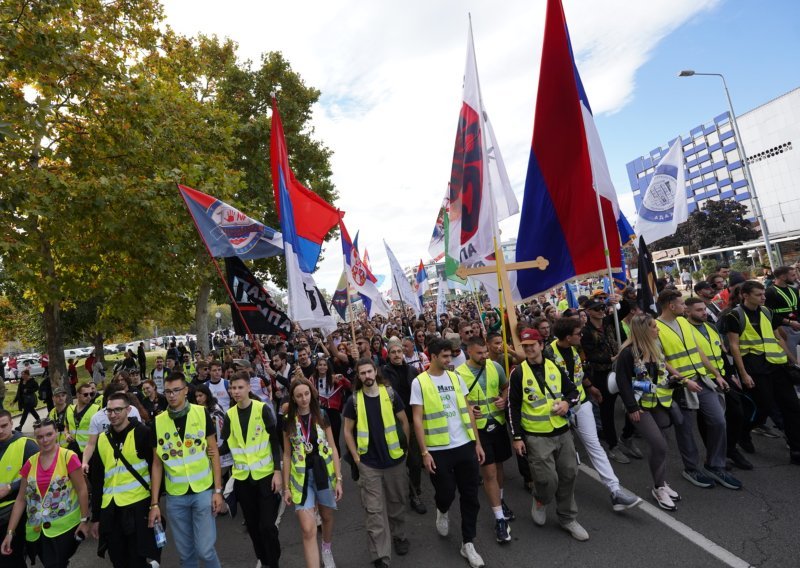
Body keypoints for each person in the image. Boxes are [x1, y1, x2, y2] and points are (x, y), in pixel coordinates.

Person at [549, 318, 641, 512]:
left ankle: (615, 491)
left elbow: (578, 375)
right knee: (561, 456)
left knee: (594, 445)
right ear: (567, 337)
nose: (582, 336)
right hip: (557, 410)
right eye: (578, 333)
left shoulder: (574, 350)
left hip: (580, 404)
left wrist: (591, 388)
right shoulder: (548, 354)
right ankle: (549, 497)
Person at [655, 289, 742, 490]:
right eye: (682, 303)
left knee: (718, 421)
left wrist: (717, 375)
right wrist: (684, 380)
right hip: (680, 386)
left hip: (701, 380)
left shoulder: (684, 322)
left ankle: (715, 464)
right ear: (671, 305)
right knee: (685, 429)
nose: (685, 307)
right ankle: (691, 468)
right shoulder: (656, 327)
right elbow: (661, 360)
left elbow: (698, 351)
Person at [411, 338, 486, 568]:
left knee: (470, 495)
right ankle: (442, 510)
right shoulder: (419, 382)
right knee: (446, 493)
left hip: (464, 444)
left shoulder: (455, 377)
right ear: (432, 356)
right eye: (444, 356)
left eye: (450, 356)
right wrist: (424, 452)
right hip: (438, 449)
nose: (448, 360)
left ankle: (468, 542)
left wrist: (477, 442)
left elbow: (468, 410)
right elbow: (416, 419)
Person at [507, 329, 588, 542]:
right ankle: (541, 500)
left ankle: (567, 518)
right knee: (547, 479)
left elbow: (573, 392)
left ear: (541, 345)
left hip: (562, 431)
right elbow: (512, 407)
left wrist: (565, 403)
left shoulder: (555, 367)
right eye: (525, 346)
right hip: (536, 435)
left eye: (532, 345)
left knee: (570, 473)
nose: (529, 349)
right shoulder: (518, 373)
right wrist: (516, 437)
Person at [148, 372, 225, 568]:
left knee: (205, 550)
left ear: (185, 390)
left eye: (176, 390)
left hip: (203, 491)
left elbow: (214, 451)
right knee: (186, 555)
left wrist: (218, 490)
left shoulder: (201, 413)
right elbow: (157, 464)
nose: (172, 395)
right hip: (176, 496)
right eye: (167, 391)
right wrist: (155, 503)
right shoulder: (158, 422)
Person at [343, 359, 410, 568]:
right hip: (369, 464)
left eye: (369, 371)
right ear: (358, 376)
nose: (367, 376)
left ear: (376, 371)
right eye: (362, 373)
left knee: (397, 503)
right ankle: (380, 556)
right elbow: (347, 430)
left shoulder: (389, 394)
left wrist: (405, 450)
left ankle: (399, 535)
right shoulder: (354, 400)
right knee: (374, 511)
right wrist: (356, 457)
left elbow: (404, 421)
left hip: (395, 461)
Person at [726, 280, 800, 465]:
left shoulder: (767, 311)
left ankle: (796, 449)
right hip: (754, 367)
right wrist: (743, 374)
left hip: (776, 365)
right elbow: (734, 346)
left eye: (763, 294)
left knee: (792, 407)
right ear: (745, 295)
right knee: (763, 407)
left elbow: (777, 338)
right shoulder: (735, 316)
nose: (763, 297)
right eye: (759, 295)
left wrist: (793, 360)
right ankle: (744, 431)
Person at [614, 315, 683, 510]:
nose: (658, 330)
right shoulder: (628, 354)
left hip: (657, 404)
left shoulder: (655, 348)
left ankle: (661, 481)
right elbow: (623, 382)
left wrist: (677, 381)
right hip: (640, 407)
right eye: (654, 327)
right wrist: (632, 407)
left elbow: (661, 375)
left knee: (661, 444)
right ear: (645, 330)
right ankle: (659, 487)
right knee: (659, 445)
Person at [1, 418, 91, 567]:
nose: (45, 440)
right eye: (40, 437)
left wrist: (84, 521)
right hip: (37, 531)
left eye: (49, 434)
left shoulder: (68, 457)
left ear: (56, 433)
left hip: (65, 529)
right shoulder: (30, 462)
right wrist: (10, 533)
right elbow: (21, 499)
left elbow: (82, 490)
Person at [88, 392, 158, 568]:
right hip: (110, 509)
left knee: (136, 559)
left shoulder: (143, 433)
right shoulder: (103, 439)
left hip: (137, 506)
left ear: (128, 410)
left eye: (117, 410)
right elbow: (97, 480)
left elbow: (155, 469)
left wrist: (154, 505)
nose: (112, 414)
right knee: (117, 560)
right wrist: (96, 517)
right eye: (109, 410)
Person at [456, 336, 515, 544]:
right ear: (469, 352)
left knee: (499, 468)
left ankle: (500, 500)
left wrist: (503, 398)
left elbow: (506, 386)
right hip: (478, 430)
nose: (484, 356)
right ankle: (499, 519)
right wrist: (469, 409)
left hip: (497, 424)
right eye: (480, 353)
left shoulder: (495, 366)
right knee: (488, 472)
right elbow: (457, 403)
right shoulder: (458, 374)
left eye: (485, 352)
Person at [221, 371, 282, 568]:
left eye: (240, 387)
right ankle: (264, 560)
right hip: (242, 480)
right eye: (233, 388)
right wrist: (207, 449)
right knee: (254, 527)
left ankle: (273, 561)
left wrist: (277, 471)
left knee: (267, 526)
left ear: (248, 387)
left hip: (265, 476)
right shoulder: (229, 415)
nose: (236, 391)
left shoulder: (262, 409)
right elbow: (225, 446)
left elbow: (274, 441)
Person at [684, 299, 752, 470]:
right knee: (708, 419)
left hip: (721, 375)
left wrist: (730, 374)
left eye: (704, 309)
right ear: (688, 312)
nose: (704, 312)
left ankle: (730, 449)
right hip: (702, 378)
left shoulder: (711, 327)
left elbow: (721, 352)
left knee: (737, 412)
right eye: (699, 310)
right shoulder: (685, 330)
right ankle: (712, 454)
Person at [282, 377, 342, 568]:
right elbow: (287, 455)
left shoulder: (322, 414)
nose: (304, 398)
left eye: (306, 394)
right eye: (299, 395)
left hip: (323, 474)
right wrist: (286, 488)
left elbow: (332, 446)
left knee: (326, 517)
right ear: (292, 398)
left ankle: (326, 547)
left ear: (312, 394)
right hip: (302, 479)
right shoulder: (288, 421)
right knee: (308, 529)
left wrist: (339, 479)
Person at [581, 300, 633, 464]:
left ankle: (626, 436)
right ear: (589, 311)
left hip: (621, 369)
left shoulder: (611, 321)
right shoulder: (586, 332)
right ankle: (612, 446)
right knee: (607, 411)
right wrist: (609, 358)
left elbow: (626, 307)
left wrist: (618, 299)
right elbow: (589, 354)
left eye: (603, 307)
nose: (602, 310)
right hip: (602, 374)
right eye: (597, 308)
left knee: (633, 403)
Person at [382, 340, 426, 515]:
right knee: (397, 460)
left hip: (412, 419)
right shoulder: (383, 374)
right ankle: (398, 494)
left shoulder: (412, 371)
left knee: (415, 460)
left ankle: (415, 493)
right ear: (388, 355)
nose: (396, 355)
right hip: (393, 422)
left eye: (399, 351)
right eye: (393, 352)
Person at [0, 409, 39, 568]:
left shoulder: (26, 445)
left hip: (15, 509)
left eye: (4, 425)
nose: (0, 430)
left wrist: (11, 487)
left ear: (12, 424)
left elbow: (37, 474)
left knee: (10, 558)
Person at [313, 357, 351, 457]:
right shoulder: (312, 379)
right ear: (316, 366)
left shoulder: (334, 378)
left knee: (334, 438)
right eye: (320, 365)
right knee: (322, 439)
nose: (322, 367)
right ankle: (326, 462)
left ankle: (337, 460)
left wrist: (343, 378)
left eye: (324, 365)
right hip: (319, 412)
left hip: (333, 412)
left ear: (327, 367)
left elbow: (348, 386)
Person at [194, 384, 234, 473]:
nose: (198, 399)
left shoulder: (215, 409)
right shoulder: (197, 410)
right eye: (196, 396)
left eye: (200, 396)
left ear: (207, 395)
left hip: (219, 447)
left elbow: (221, 428)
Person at [765, 265, 800, 362]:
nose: (796, 277)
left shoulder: (794, 290)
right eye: (793, 275)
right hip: (784, 330)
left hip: (797, 327)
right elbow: (769, 314)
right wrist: (790, 322)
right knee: (794, 360)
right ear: (783, 277)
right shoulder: (770, 292)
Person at [66, 382, 101, 457]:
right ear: (78, 395)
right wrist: (66, 434)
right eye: (85, 394)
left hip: (90, 451)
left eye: (91, 394)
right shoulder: (70, 409)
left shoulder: (96, 409)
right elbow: (66, 426)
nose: (89, 397)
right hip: (73, 449)